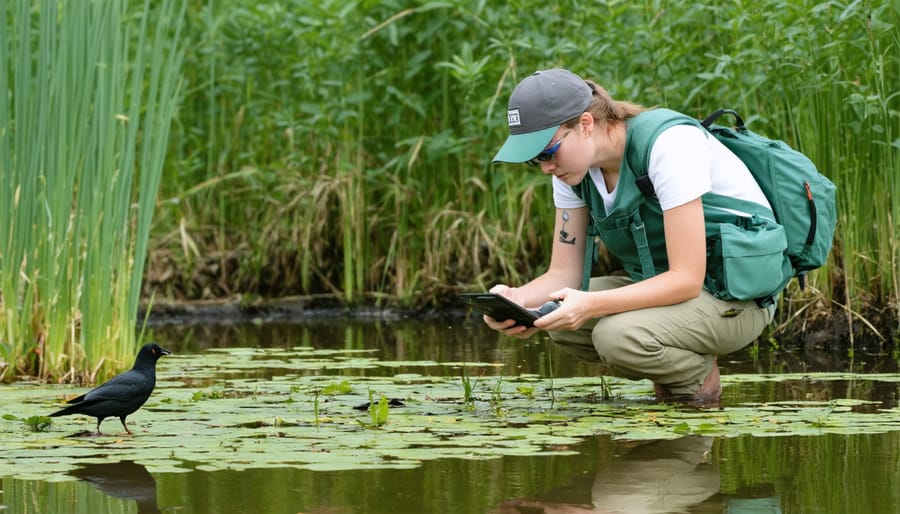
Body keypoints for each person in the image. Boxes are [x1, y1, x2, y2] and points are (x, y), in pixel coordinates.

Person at [486, 68, 782, 404]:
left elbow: (687, 279)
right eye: (535, 159)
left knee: (618, 337)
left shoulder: (669, 145)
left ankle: (696, 389)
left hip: (736, 299)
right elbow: (563, 274)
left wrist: (591, 304)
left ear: (585, 124)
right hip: (674, 292)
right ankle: (674, 373)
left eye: (548, 152)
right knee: (553, 313)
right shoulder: (572, 172)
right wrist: (516, 300)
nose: (545, 167)